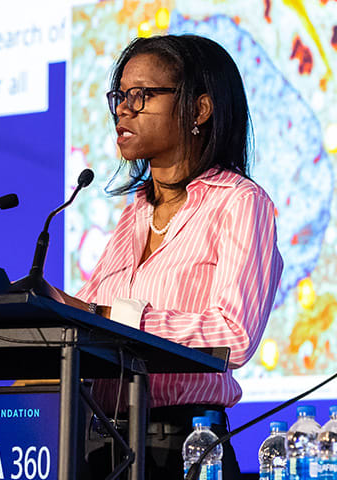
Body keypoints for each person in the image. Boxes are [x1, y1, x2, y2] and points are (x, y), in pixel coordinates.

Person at [59, 34, 283, 479]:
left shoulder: (240, 202)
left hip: (186, 447)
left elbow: (234, 334)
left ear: (199, 109)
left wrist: (110, 317)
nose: (123, 110)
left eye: (141, 95)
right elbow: (82, 313)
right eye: (120, 96)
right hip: (101, 447)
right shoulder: (135, 213)